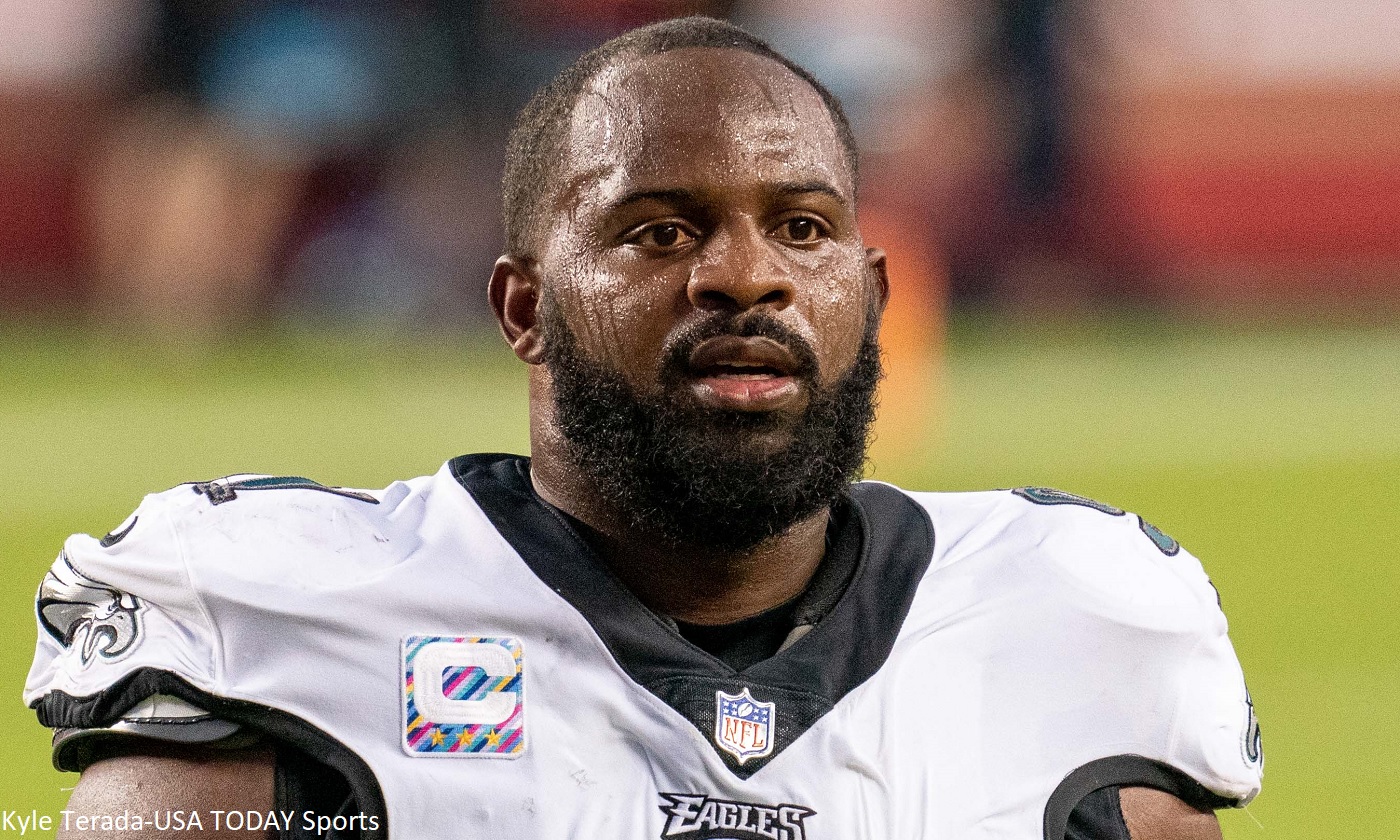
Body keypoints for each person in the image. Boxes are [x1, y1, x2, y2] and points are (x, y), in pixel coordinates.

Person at [25, 17, 1261, 840]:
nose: (744, 277)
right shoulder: (278, 621)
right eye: (659, 231)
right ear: (523, 308)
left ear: (874, 300)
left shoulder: (1077, 618)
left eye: (802, 229)